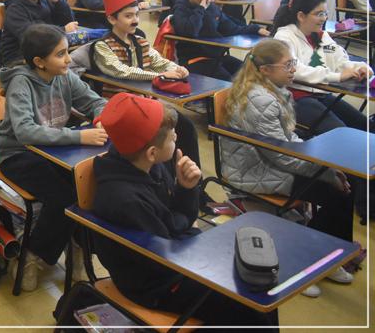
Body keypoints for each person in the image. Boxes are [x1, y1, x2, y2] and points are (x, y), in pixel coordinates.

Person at [92, 93, 278, 330]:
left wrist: (186, 188)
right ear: (152, 152)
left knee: (260, 285)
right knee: (251, 301)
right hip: (155, 284)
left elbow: (177, 224)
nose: (177, 138)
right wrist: (193, 235)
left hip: (173, 256)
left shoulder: (148, 167)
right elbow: (165, 253)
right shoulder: (126, 200)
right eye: (172, 138)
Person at [222, 39, 356, 297]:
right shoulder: (260, 99)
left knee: (342, 186)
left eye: (294, 62)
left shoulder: (273, 90)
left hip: (270, 161)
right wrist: (326, 171)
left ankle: (328, 254)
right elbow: (281, 156)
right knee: (335, 192)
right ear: (265, 70)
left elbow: (288, 139)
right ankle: (305, 260)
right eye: (288, 64)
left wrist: (323, 163)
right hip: (254, 170)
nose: (294, 69)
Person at [0, 24, 106, 291]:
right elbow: (25, 132)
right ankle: (33, 255)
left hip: (54, 152)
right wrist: (78, 137)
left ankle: (77, 251)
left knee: (89, 184)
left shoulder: (65, 76)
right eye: (60, 54)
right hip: (17, 154)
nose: (68, 59)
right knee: (64, 196)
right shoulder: (21, 83)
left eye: (67, 51)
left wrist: (101, 119)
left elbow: (96, 102)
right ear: (39, 62)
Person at [89, 0, 207, 198]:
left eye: (136, 14)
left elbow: (159, 61)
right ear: (112, 19)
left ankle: (192, 183)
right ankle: (172, 185)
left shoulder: (140, 41)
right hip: (121, 110)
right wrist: (157, 75)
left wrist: (177, 68)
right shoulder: (102, 46)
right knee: (163, 137)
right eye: (128, 16)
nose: (135, 20)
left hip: (146, 106)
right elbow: (121, 71)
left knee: (185, 127)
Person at [272, 0, 370, 133]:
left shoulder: (322, 35)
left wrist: (360, 68)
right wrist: (337, 76)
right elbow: (294, 69)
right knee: (342, 133)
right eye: (319, 14)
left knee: (367, 126)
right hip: (295, 98)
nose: (324, 18)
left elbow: (340, 60)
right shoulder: (284, 36)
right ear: (301, 16)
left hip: (321, 93)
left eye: (325, 13)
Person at [171, 0, 269, 80]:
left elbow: (232, 28)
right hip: (194, 60)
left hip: (216, 58)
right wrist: (201, 9)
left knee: (249, 72)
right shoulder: (181, 10)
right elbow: (191, 31)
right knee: (230, 82)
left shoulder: (212, 8)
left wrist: (255, 29)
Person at [0, 0, 77, 66]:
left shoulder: (45, 1)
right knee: (67, 64)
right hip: (19, 58)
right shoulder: (15, 9)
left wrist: (59, 2)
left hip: (46, 51)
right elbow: (31, 37)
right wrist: (63, 30)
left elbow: (68, 21)